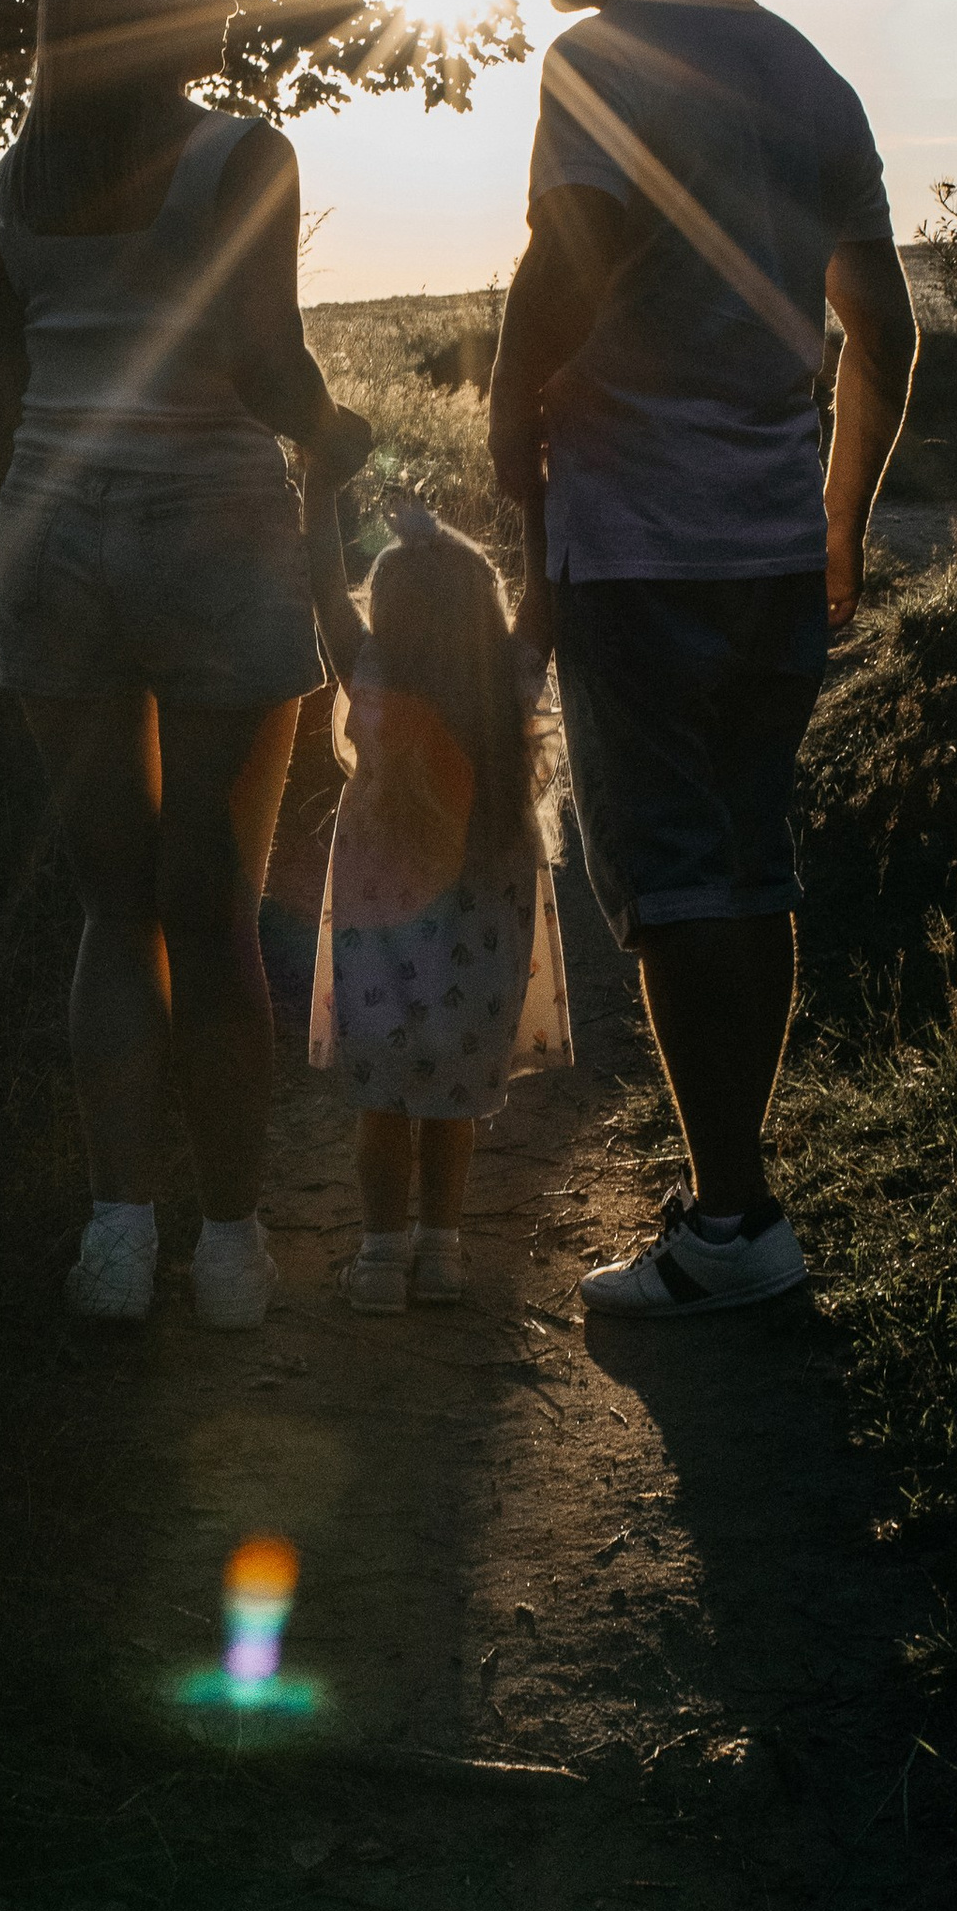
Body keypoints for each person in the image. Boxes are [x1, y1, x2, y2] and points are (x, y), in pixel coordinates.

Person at [488, 0, 918, 1317]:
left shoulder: (598, 62)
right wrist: (841, 519)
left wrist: (505, 460)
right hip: (763, 552)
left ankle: (729, 1221)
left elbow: (563, 284)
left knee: (675, 881)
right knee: (753, 862)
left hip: (639, 546)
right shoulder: (810, 77)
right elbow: (885, 325)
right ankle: (746, 1209)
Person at [0, 0, 370, 1329]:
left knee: (109, 906)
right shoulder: (242, 157)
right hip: (210, 532)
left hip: (54, 538)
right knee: (212, 910)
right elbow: (265, 367)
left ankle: (115, 1234)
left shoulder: (19, 183)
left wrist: (33, 540)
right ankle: (230, 1244)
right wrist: (339, 436)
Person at [297, 473, 572, 1310]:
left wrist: (319, 494)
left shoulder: (372, 675)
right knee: (453, 1093)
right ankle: (442, 1252)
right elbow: (546, 596)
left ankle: (381, 1258)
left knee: (382, 1095)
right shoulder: (508, 683)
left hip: (383, 925)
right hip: (482, 931)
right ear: (481, 612)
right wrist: (539, 497)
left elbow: (322, 592)